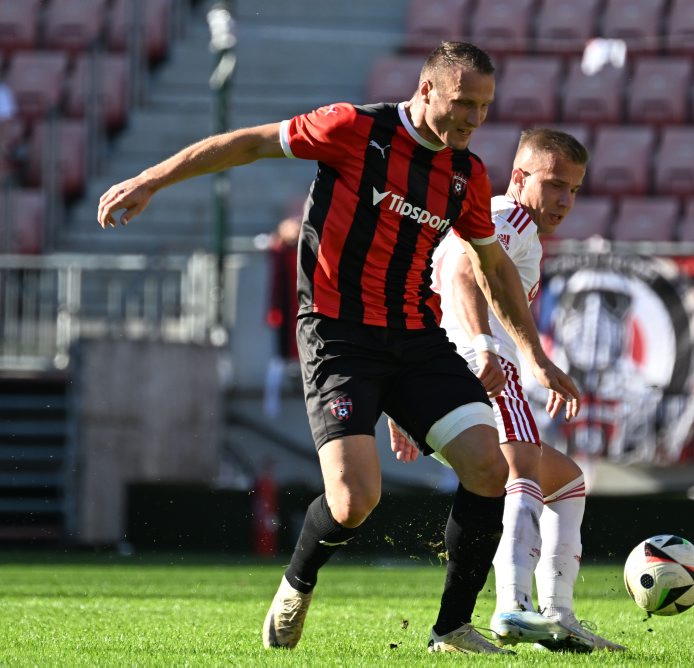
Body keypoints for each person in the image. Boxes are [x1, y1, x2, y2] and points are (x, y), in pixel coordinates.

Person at [96, 41, 581, 655]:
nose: (474, 119)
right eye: (464, 103)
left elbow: (492, 266)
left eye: (485, 107)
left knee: (489, 468)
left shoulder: (466, 174)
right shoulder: (355, 128)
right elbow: (250, 142)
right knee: (355, 498)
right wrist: (151, 179)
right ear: (427, 89)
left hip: (415, 334)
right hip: (335, 334)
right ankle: (297, 581)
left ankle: (452, 629)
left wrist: (533, 355)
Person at [389, 128, 626, 652]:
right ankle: (513, 606)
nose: (565, 200)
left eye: (575, 189)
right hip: (485, 367)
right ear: (520, 177)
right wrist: (487, 348)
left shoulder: (506, 224)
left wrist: (404, 402)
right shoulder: (509, 218)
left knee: (564, 483)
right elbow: (461, 272)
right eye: (555, 184)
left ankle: (556, 617)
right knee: (521, 471)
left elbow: (435, 285)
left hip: (441, 369)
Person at [263, 214, 301, 418]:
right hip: (284, 310)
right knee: (279, 358)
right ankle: (272, 403)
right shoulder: (280, 250)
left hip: (299, 309)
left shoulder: (299, 250)